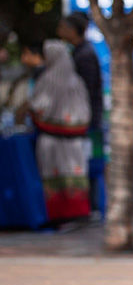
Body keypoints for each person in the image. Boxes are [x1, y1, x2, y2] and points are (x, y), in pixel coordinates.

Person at [29, 40, 92, 221]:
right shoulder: (77, 81)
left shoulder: (46, 80)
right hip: (76, 141)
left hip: (51, 140)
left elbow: (37, 108)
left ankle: (57, 216)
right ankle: (78, 214)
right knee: (75, 175)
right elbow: (86, 112)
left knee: (53, 176)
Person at [56, 12, 103, 215]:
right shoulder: (78, 52)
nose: (59, 31)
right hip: (84, 118)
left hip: (86, 120)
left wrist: (84, 118)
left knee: (86, 164)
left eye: (63, 27)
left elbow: (86, 91)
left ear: (73, 30)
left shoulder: (84, 55)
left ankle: (89, 209)